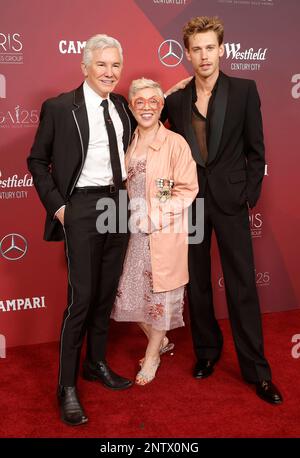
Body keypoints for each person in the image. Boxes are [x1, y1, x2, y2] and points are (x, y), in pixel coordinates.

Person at [163, 16, 283, 404]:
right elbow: (143, 120)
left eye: (210, 47)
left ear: (222, 49)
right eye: (196, 49)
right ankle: (207, 353)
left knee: (242, 285)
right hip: (192, 204)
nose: (204, 56)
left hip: (231, 201)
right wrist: (168, 90)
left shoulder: (245, 90)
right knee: (197, 283)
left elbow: (256, 149)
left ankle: (257, 370)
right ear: (187, 53)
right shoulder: (178, 100)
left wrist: (247, 194)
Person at [27, 34, 136, 426]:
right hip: (82, 207)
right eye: (102, 64)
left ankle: (96, 364)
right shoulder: (60, 107)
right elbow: (37, 161)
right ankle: (67, 387)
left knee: (106, 292)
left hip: (118, 203)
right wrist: (59, 208)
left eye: (115, 66)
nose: (110, 72)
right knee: (82, 297)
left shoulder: (121, 105)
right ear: (85, 66)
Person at [111, 78, 198, 385]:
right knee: (128, 295)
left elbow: (187, 189)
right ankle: (158, 341)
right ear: (131, 106)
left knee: (159, 297)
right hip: (130, 233)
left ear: (162, 106)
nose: (146, 107)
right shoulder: (128, 141)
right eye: (140, 101)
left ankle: (152, 356)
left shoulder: (175, 143)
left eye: (154, 101)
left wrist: (155, 217)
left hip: (162, 232)